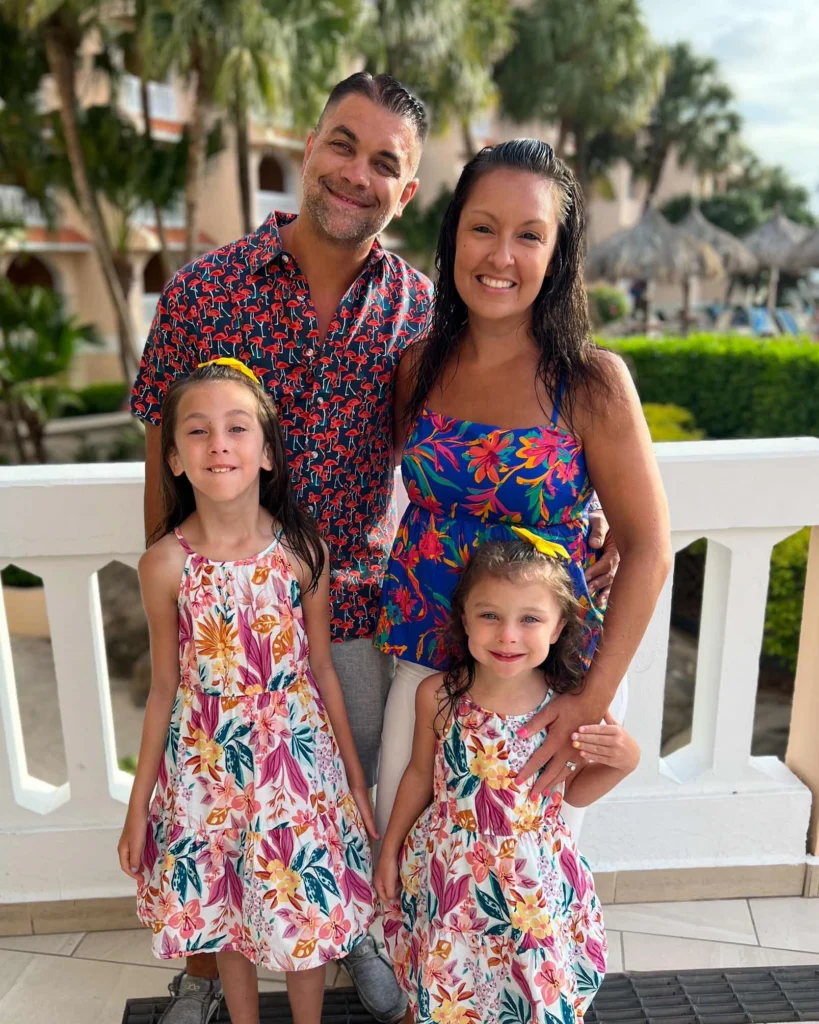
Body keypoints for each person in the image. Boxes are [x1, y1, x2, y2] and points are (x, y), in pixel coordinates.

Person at [131, 73, 434, 1024]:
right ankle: (205, 967)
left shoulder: (418, 311)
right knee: (211, 796)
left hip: (349, 608)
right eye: (342, 144)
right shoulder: (204, 291)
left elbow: (460, 439)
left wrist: (580, 519)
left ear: (406, 191)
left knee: (334, 794)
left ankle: (349, 936)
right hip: (222, 609)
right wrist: (173, 588)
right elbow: (159, 451)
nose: (355, 173)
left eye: (383, 162)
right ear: (309, 147)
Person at [374, 139, 671, 841]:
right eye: (483, 227)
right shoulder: (417, 367)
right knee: (407, 851)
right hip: (426, 661)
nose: (501, 255)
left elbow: (649, 548)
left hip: (551, 678)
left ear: (558, 254)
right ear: (454, 237)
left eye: (530, 235)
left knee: (525, 874)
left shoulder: (592, 383)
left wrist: (590, 700)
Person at [118, 360, 379, 1024]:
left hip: (295, 767)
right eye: (197, 431)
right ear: (173, 459)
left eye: (237, 428)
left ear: (266, 452)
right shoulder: (165, 565)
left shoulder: (301, 552)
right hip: (207, 771)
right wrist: (139, 805)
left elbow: (322, 669)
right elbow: (163, 688)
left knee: (303, 909)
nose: (219, 445)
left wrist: (353, 779)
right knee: (226, 908)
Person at [374, 538, 640, 1023]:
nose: (508, 635)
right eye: (490, 615)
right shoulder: (439, 695)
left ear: (559, 627)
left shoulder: (565, 707)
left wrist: (625, 761)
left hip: (530, 882)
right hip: (450, 876)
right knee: (444, 986)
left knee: (530, 992)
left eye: (530, 619)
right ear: (464, 619)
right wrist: (390, 850)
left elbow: (574, 792)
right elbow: (419, 775)